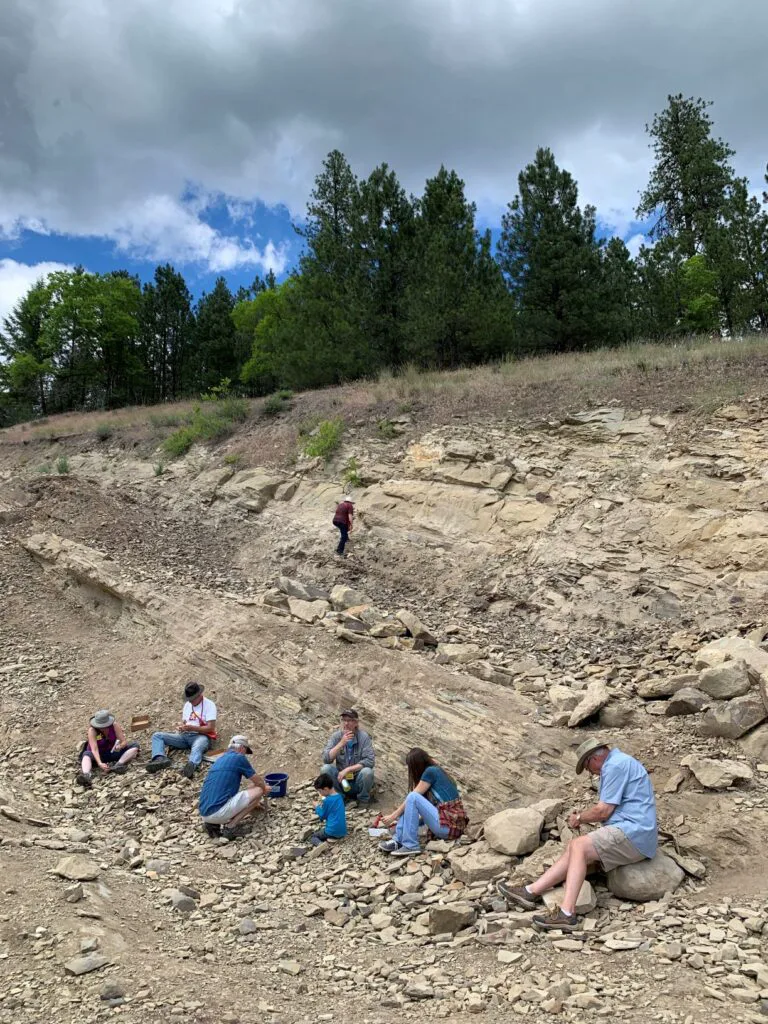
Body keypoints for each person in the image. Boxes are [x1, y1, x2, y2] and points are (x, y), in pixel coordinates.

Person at [498, 739, 658, 932]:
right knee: (576, 846)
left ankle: (566, 913)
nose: (591, 773)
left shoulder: (615, 765)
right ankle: (530, 891)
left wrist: (580, 818)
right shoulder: (620, 762)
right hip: (633, 832)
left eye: (587, 767)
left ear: (594, 759)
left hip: (634, 832)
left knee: (580, 846)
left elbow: (603, 811)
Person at [378, 747, 469, 857]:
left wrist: (393, 816)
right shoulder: (437, 771)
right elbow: (427, 814)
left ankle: (410, 845)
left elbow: (413, 797)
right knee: (412, 800)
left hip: (448, 827)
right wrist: (406, 821)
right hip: (450, 827)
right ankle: (398, 840)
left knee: (413, 797)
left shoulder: (431, 771)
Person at [198, 735, 269, 839]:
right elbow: (258, 781)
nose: (245, 754)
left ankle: (212, 825)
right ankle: (231, 827)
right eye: (245, 751)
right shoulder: (239, 757)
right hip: (218, 813)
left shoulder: (219, 759)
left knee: (253, 788)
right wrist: (264, 789)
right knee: (259, 789)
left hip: (204, 813)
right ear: (241, 748)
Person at [146, 681, 217, 779]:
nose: (190, 701)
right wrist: (181, 727)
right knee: (157, 736)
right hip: (184, 735)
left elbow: (210, 728)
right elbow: (185, 722)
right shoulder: (187, 705)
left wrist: (193, 728)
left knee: (198, 746)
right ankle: (160, 758)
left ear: (199, 695)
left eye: (192, 699)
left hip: (200, 736)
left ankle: (191, 765)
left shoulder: (209, 705)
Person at [321, 709, 375, 806]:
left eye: (349, 720)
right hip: (341, 781)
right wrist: (341, 743)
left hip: (357, 781)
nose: (346, 723)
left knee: (367, 772)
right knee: (325, 769)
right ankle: (340, 798)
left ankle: (362, 801)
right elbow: (326, 759)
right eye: (343, 720)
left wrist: (348, 769)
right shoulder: (336, 736)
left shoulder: (364, 737)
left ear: (355, 722)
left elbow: (370, 761)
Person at [76, 710, 140, 789]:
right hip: (98, 756)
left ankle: (118, 765)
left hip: (112, 752)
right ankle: (86, 775)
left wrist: (120, 746)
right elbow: (94, 749)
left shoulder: (115, 726)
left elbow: (124, 741)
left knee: (135, 746)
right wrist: (100, 763)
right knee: (86, 754)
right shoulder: (92, 730)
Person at [311, 773, 348, 846]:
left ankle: (321, 845)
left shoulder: (327, 800)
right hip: (343, 831)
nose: (320, 793)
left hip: (331, 832)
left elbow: (322, 815)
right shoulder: (339, 796)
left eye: (320, 791)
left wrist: (317, 807)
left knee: (313, 837)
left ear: (326, 789)